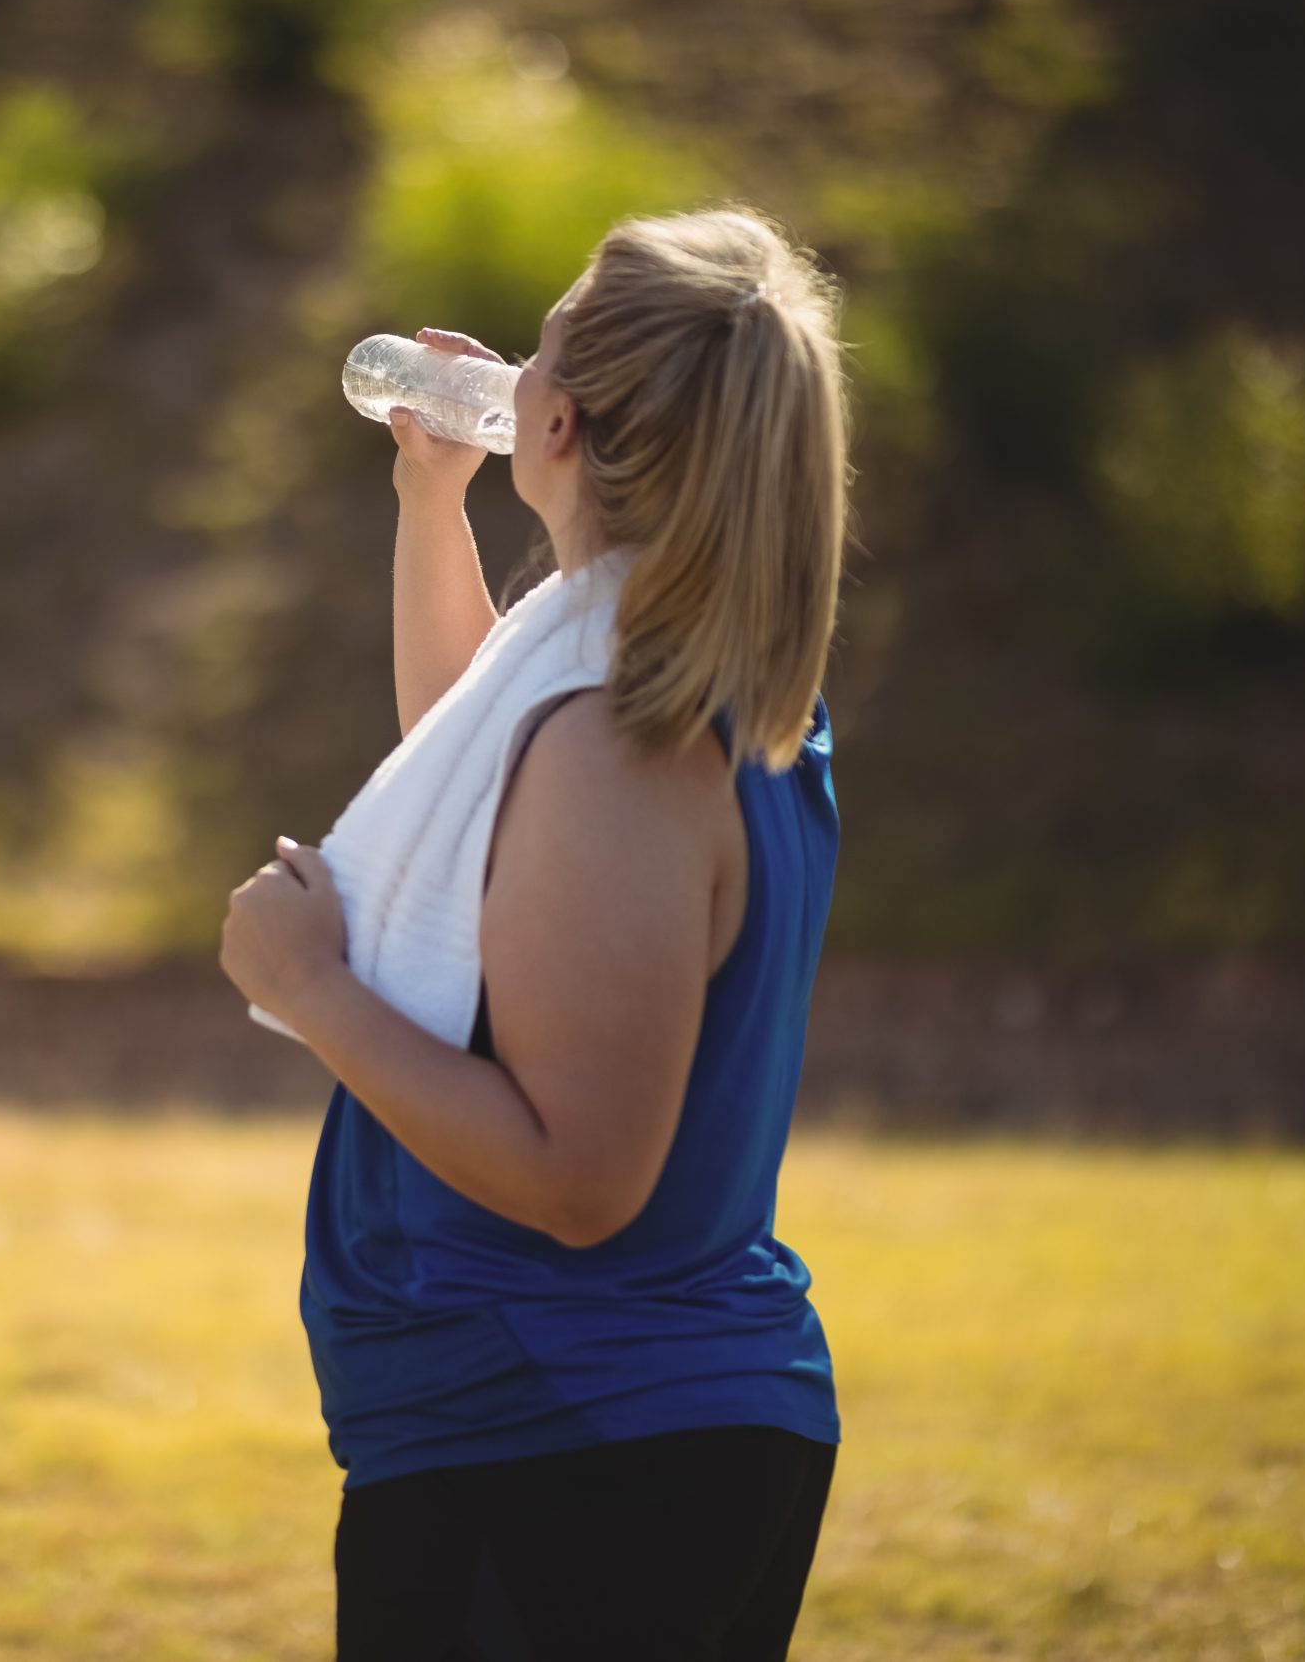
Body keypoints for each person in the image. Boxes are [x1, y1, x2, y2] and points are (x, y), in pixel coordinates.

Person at [221, 208, 849, 1661]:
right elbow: (474, 802)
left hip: (567, 1433)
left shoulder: (623, 744)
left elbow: (579, 1179)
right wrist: (431, 504)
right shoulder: (656, 668)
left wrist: (314, 991)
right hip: (609, 1429)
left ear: (556, 420)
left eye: (542, 344)